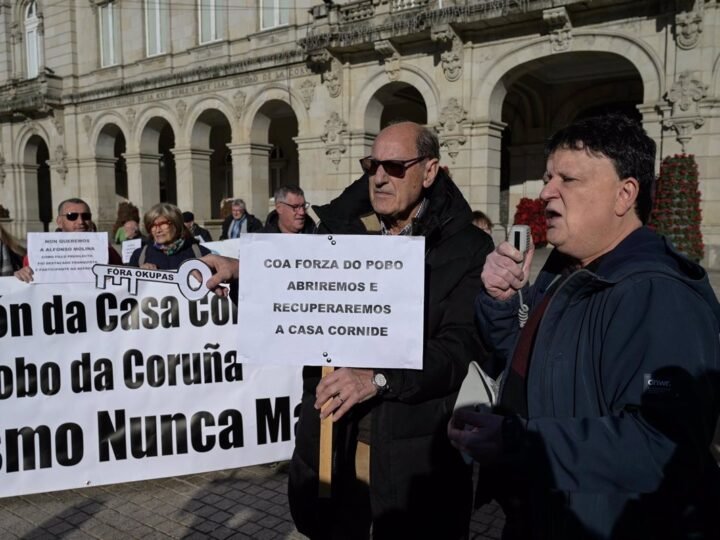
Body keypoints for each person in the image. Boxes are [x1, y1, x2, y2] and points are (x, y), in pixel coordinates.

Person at [448, 114, 720, 539]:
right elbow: (528, 356)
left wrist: (519, 443)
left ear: (624, 194)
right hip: (540, 513)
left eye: (568, 180)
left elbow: (662, 447)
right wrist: (502, 301)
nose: (545, 193)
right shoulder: (566, 271)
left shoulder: (659, 294)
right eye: (546, 177)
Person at [282, 122, 492, 539]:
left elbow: (456, 350)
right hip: (334, 444)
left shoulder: (467, 247)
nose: (379, 176)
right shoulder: (340, 230)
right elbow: (288, 281)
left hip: (413, 454)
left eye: (395, 166)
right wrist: (239, 273)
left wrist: (377, 379)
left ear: (429, 172)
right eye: (372, 164)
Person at [14, 198, 122, 282]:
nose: (81, 221)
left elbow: (123, 275)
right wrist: (21, 274)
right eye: (72, 216)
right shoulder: (38, 252)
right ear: (59, 222)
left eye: (86, 216)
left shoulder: (107, 249)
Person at [128, 203, 210, 270]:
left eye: (163, 224)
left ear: (176, 224)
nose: (157, 230)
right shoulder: (139, 255)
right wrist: (139, 274)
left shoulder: (200, 253)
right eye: (152, 226)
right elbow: (127, 287)